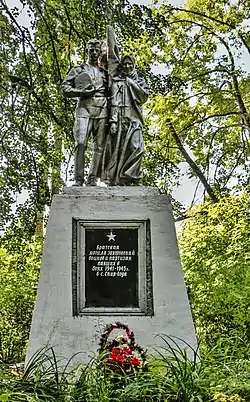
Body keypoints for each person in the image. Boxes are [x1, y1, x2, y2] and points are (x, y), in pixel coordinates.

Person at [102, 26, 149, 185]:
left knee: (136, 147)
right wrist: (113, 121)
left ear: (134, 65)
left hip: (135, 119)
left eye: (130, 64)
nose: (128, 66)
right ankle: (118, 179)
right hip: (120, 119)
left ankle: (132, 177)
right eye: (125, 64)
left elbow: (143, 96)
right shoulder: (117, 81)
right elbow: (114, 101)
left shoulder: (139, 81)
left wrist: (130, 83)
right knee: (117, 150)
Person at [62, 39, 108, 186]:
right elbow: (64, 88)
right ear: (87, 51)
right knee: (80, 143)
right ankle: (78, 179)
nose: (94, 53)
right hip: (84, 108)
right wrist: (80, 91)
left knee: (100, 146)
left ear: (100, 52)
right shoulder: (78, 69)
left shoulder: (105, 73)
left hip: (102, 109)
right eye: (91, 50)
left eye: (96, 50)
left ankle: (93, 178)